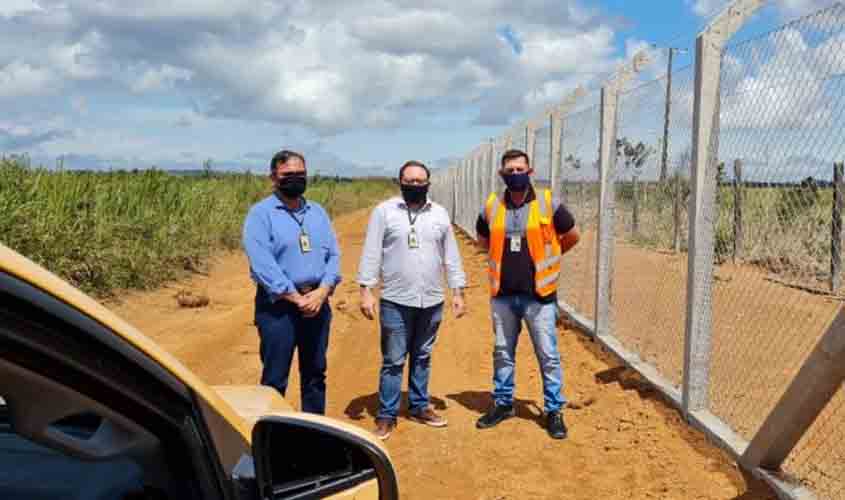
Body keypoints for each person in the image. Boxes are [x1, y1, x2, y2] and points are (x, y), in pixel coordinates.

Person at [474, 149, 580, 439]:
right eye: (510, 171)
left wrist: (551, 259)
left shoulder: (548, 203)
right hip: (503, 296)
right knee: (502, 353)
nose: (516, 175)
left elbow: (572, 236)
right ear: (502, 175)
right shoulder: (492, 205)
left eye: (521, 169)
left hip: (539, 296)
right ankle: (503, 403)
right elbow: (483, 239)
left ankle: (554, 410)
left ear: (530, 172)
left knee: (548, 354)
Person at [357, 160, 467, 441]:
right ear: (400, 182)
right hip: (396, 299)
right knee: (393, 359)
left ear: (428, 184)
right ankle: (386, 415)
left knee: (422, 356)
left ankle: (419, 406)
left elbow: (451, 256)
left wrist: (457, 291)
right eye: (410, 181)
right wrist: (366, 290)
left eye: (420, 181)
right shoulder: (385, 212)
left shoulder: (440, 214)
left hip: (431, 299)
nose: (415, 185)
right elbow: (372, 252)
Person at [242, 150, 341, 414]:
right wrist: (295, 297)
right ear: (273, 177)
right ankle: (273, 439)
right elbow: (262, 263)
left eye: (300, 174)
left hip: (318, 305)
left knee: (315, 374)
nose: (295, 179)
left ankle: (315, 432)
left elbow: (333, 254)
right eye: (287, 175)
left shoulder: (317, 212)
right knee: (275, 378)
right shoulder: (261, 214)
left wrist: (323, 291)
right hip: (278, 309)